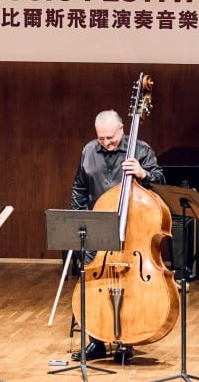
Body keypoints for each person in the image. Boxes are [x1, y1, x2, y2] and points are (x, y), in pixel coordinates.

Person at [69, 109, 165, 362]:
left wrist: (143, 174)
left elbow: (161, 181)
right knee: (95, 286)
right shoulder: (88, 151)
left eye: (110, 138)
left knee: (130, 287)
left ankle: (126, 342)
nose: (106, 143)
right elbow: (79, 187)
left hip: (132, 230)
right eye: (101, 138)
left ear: (122, 129)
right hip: (98, 228)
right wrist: (80, 222)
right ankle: (97, 341)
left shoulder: (141, 150)